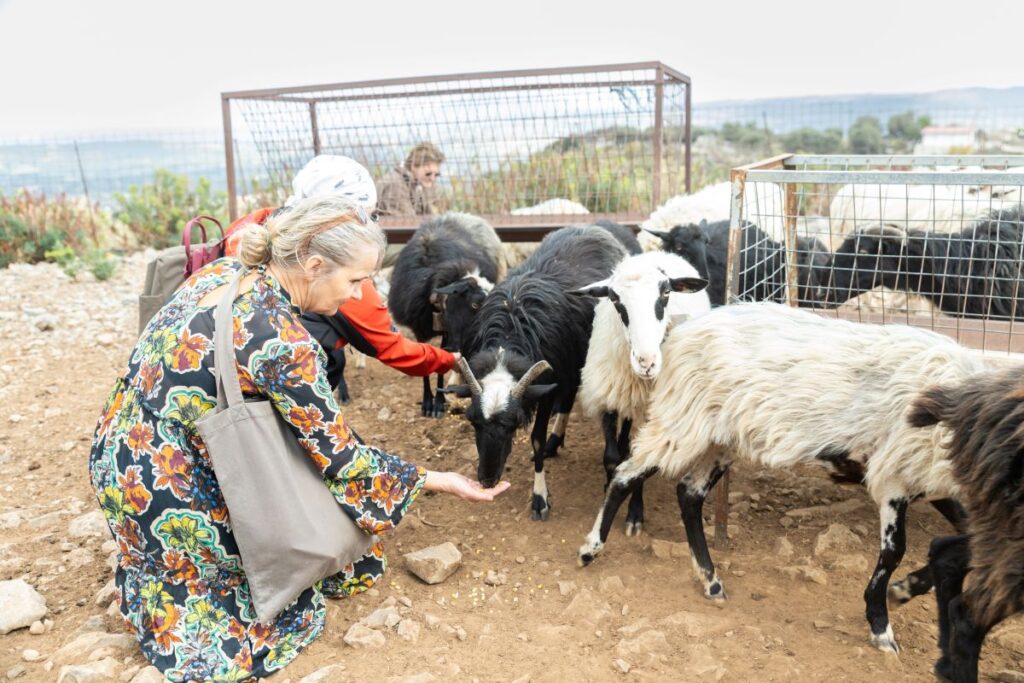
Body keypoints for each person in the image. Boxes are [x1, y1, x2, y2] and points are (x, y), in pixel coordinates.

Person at [89, 195, 510, 681]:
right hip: (165, 496)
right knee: (294, 586)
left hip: (117, 458)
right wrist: (437, 479)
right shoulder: (283, 341)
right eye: (355, 280)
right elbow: (344, 461)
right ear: (312, 265)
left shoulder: (220, 273)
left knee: (341, 547)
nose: (358, 296)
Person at [225, 155, 456, 404]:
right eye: (366, 218)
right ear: (337, 219)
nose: (370, 226)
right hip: (270, 403)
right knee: (330, 355)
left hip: (225, 379)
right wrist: (451, 360)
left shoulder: (254, 229)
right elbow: (391, 348)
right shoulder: (334, 266)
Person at [375, 141, 446, 218]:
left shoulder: (415, 184)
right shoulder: (396, 185)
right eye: (428, 173)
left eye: (436, 174)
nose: (432, 178)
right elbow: (404, 223)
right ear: (413, 166)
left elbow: (430, 217)